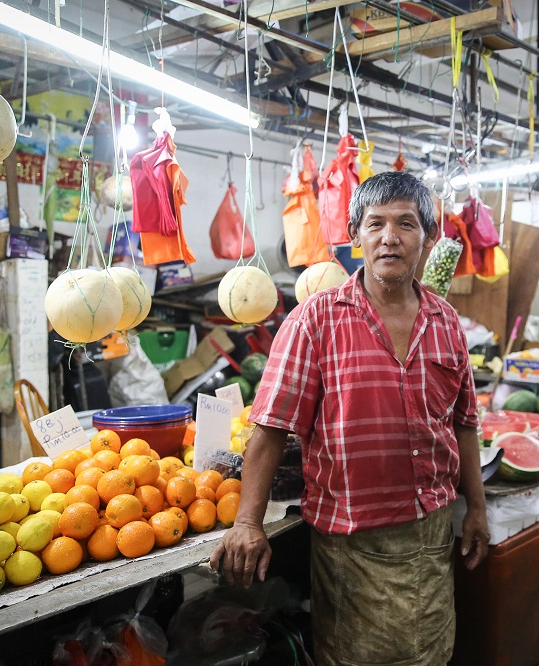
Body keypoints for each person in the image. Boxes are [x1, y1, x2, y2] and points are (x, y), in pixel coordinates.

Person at [210, 171, 490, 665]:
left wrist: (479, 509)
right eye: (376, 223)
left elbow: (464, 424)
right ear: (356, 236)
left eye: (406, 224)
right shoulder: (314, 320)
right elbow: (271, 428)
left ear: (426, 238)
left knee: (430, 655)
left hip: (432, 533)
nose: (390, 237)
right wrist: (247, 522)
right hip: (352, 543)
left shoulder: (447, 323)